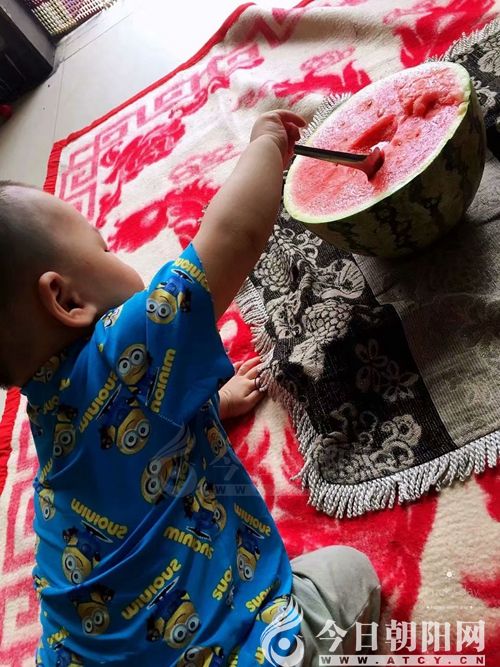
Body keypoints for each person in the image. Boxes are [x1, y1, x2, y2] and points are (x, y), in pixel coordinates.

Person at [1, 110, 380, 666]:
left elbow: (128, 444)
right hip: (232, 651)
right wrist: (266, 145)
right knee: (349, 574)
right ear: (67, 300)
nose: (116, 255)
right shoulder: (123, 346)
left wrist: (212, 404)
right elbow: (233, 236)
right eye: (103, 248)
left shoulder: (49, 406)